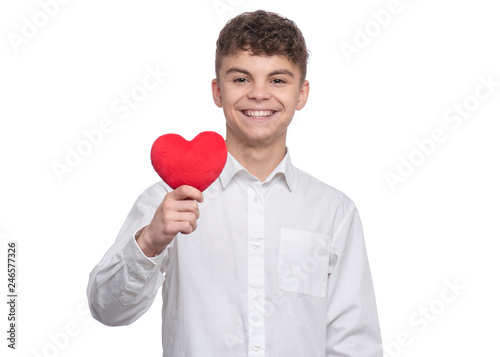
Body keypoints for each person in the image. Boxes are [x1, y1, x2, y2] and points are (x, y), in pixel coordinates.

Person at [87, 9, 382, 357]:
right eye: (241, 79)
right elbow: (107, 310)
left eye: (278, 80)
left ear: (301, 94)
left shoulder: (334, 212)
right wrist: (150, 241)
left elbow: (354, 343)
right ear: (217, 91)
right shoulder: (168, 200)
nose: (259, 94)